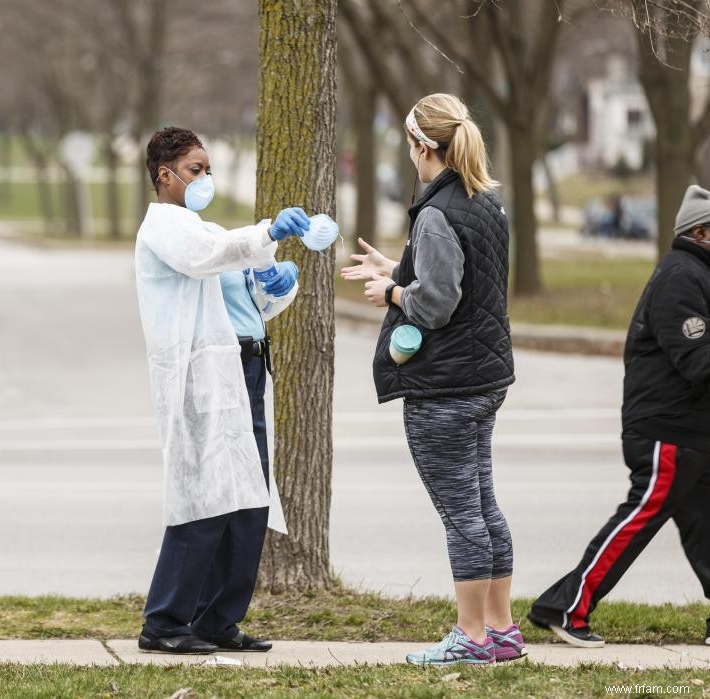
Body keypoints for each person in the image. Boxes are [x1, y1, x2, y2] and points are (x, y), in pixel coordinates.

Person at [341, 93, 522, 666]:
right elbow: (462, 276)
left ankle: (470, 638)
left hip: (445, 385)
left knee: (461, 513)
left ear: (423, 147)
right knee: (483, 505)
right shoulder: (484, 202)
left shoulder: (438, 210)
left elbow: (438, 302)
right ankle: (502, 630)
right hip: (483, 378)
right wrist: (396, 267)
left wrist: (391, 292)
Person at [134, 126, 307, 654]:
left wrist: (277, 283)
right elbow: (205, 258)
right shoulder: (165, 228)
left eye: (209, 169)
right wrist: (267, 232)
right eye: (195, 169)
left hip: (244, 373)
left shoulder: (202, 228)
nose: (205, 178)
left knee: (249, 503)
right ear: (164, 176)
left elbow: (244, 296)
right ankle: (163, 622)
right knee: (204, 500)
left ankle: (217, 620)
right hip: (199, 380)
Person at [529, 185, 710, 649]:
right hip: (666, 433)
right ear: (702, 232)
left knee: (706, 527)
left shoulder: (696, 274)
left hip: (691, 433)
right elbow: (698, 361)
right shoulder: (681, 277)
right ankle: (566, 607)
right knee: (637, 521)